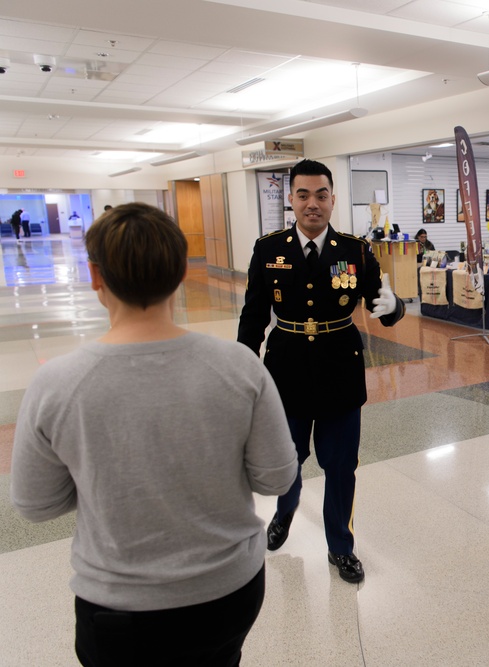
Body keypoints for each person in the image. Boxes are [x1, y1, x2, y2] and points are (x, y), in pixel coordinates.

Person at [10, 202, 298, 666]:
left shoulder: (56, 383)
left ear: (95, 277)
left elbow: (35, 503)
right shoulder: (239, 368)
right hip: (228, 592)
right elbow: (276, 479)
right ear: (183, 270)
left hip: (118, 609)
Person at [238, 159, 405, 584]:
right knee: (286, 462)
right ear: (291, 200)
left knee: (341, 466)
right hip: (285, 372)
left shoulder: (354, 250)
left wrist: (395, 306)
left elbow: (379, 304)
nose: (313, 204)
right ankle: (283, 513)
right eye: (303, 195)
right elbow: (254, 314)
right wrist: (242, 369)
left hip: (339, 374)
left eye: (321, 195)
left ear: (333, 199)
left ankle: (341, 547)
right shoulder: (269, 248)